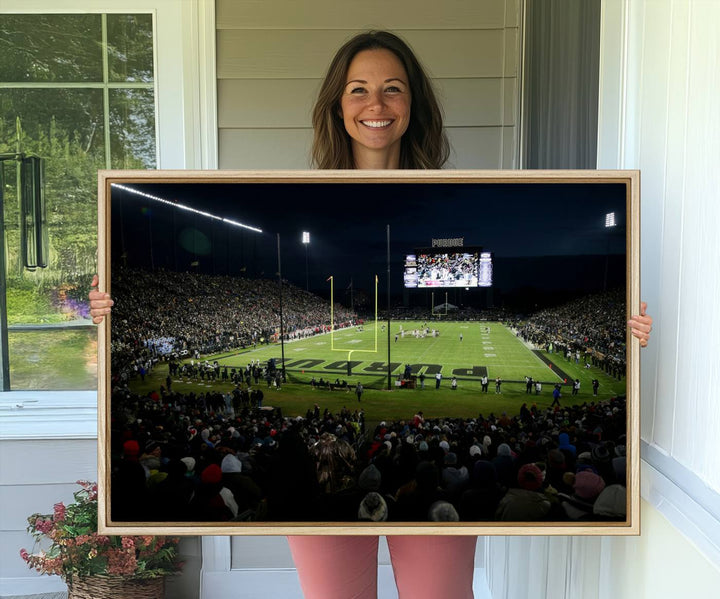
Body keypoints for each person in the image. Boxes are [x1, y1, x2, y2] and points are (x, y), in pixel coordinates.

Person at [89, 29, 654, 599]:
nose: (375, 104)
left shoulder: (457, 185)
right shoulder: (299, 192)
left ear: (414, 104)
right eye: (358, 89)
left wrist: (629, 333)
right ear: (338, 103)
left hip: (420, 470)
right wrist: (114, 305)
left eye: (393, 89)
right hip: (317, 464)